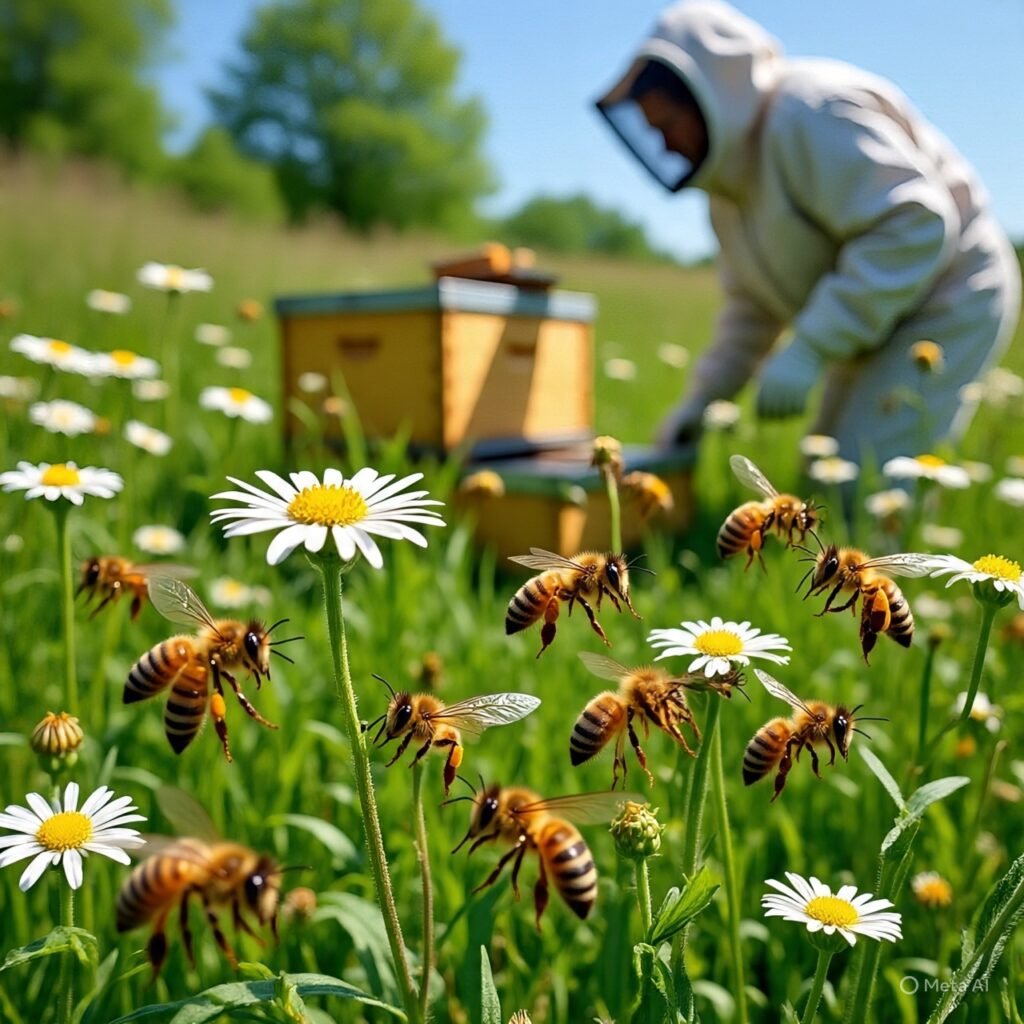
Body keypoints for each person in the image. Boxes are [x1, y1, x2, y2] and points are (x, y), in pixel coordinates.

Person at [596, 0, 1020, 467]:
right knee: (827, 473)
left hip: (949, 296)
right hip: (877, 317)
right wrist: (698, 407)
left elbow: (913, 222)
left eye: (669, 124)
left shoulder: (810, 111)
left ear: (710, 90)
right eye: (654, 131)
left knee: (869, 475)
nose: (665, 144)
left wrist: (812, 346)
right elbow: (752, 309)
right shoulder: (730, 193)